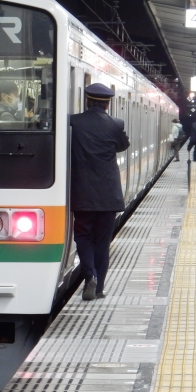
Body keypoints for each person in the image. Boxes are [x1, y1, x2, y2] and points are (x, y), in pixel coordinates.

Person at [70, 83, 130, 301]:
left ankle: (90, 277)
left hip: (82, 193)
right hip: (108, 194)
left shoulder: (73, 122)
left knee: (84, 237)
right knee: (102, 242)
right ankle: (99, 287)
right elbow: (123, 146)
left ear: (87, 100)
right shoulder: (116, 124)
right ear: (108, 103)